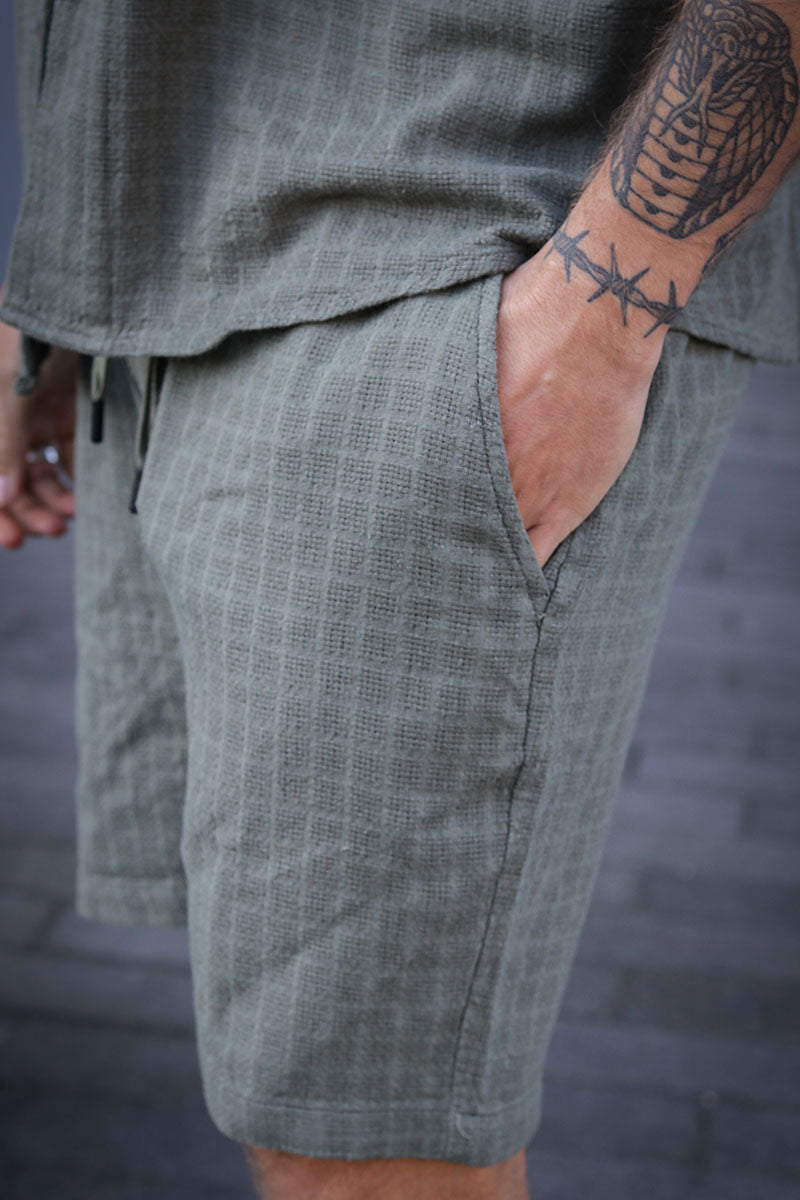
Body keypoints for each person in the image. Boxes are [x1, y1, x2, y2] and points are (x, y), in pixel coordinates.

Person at [1, 1, 798, 1197]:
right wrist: (50, 280)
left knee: (357, 1132)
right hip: (169, 249)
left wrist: (606, 300)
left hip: (462, 239)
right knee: (274, 1033)